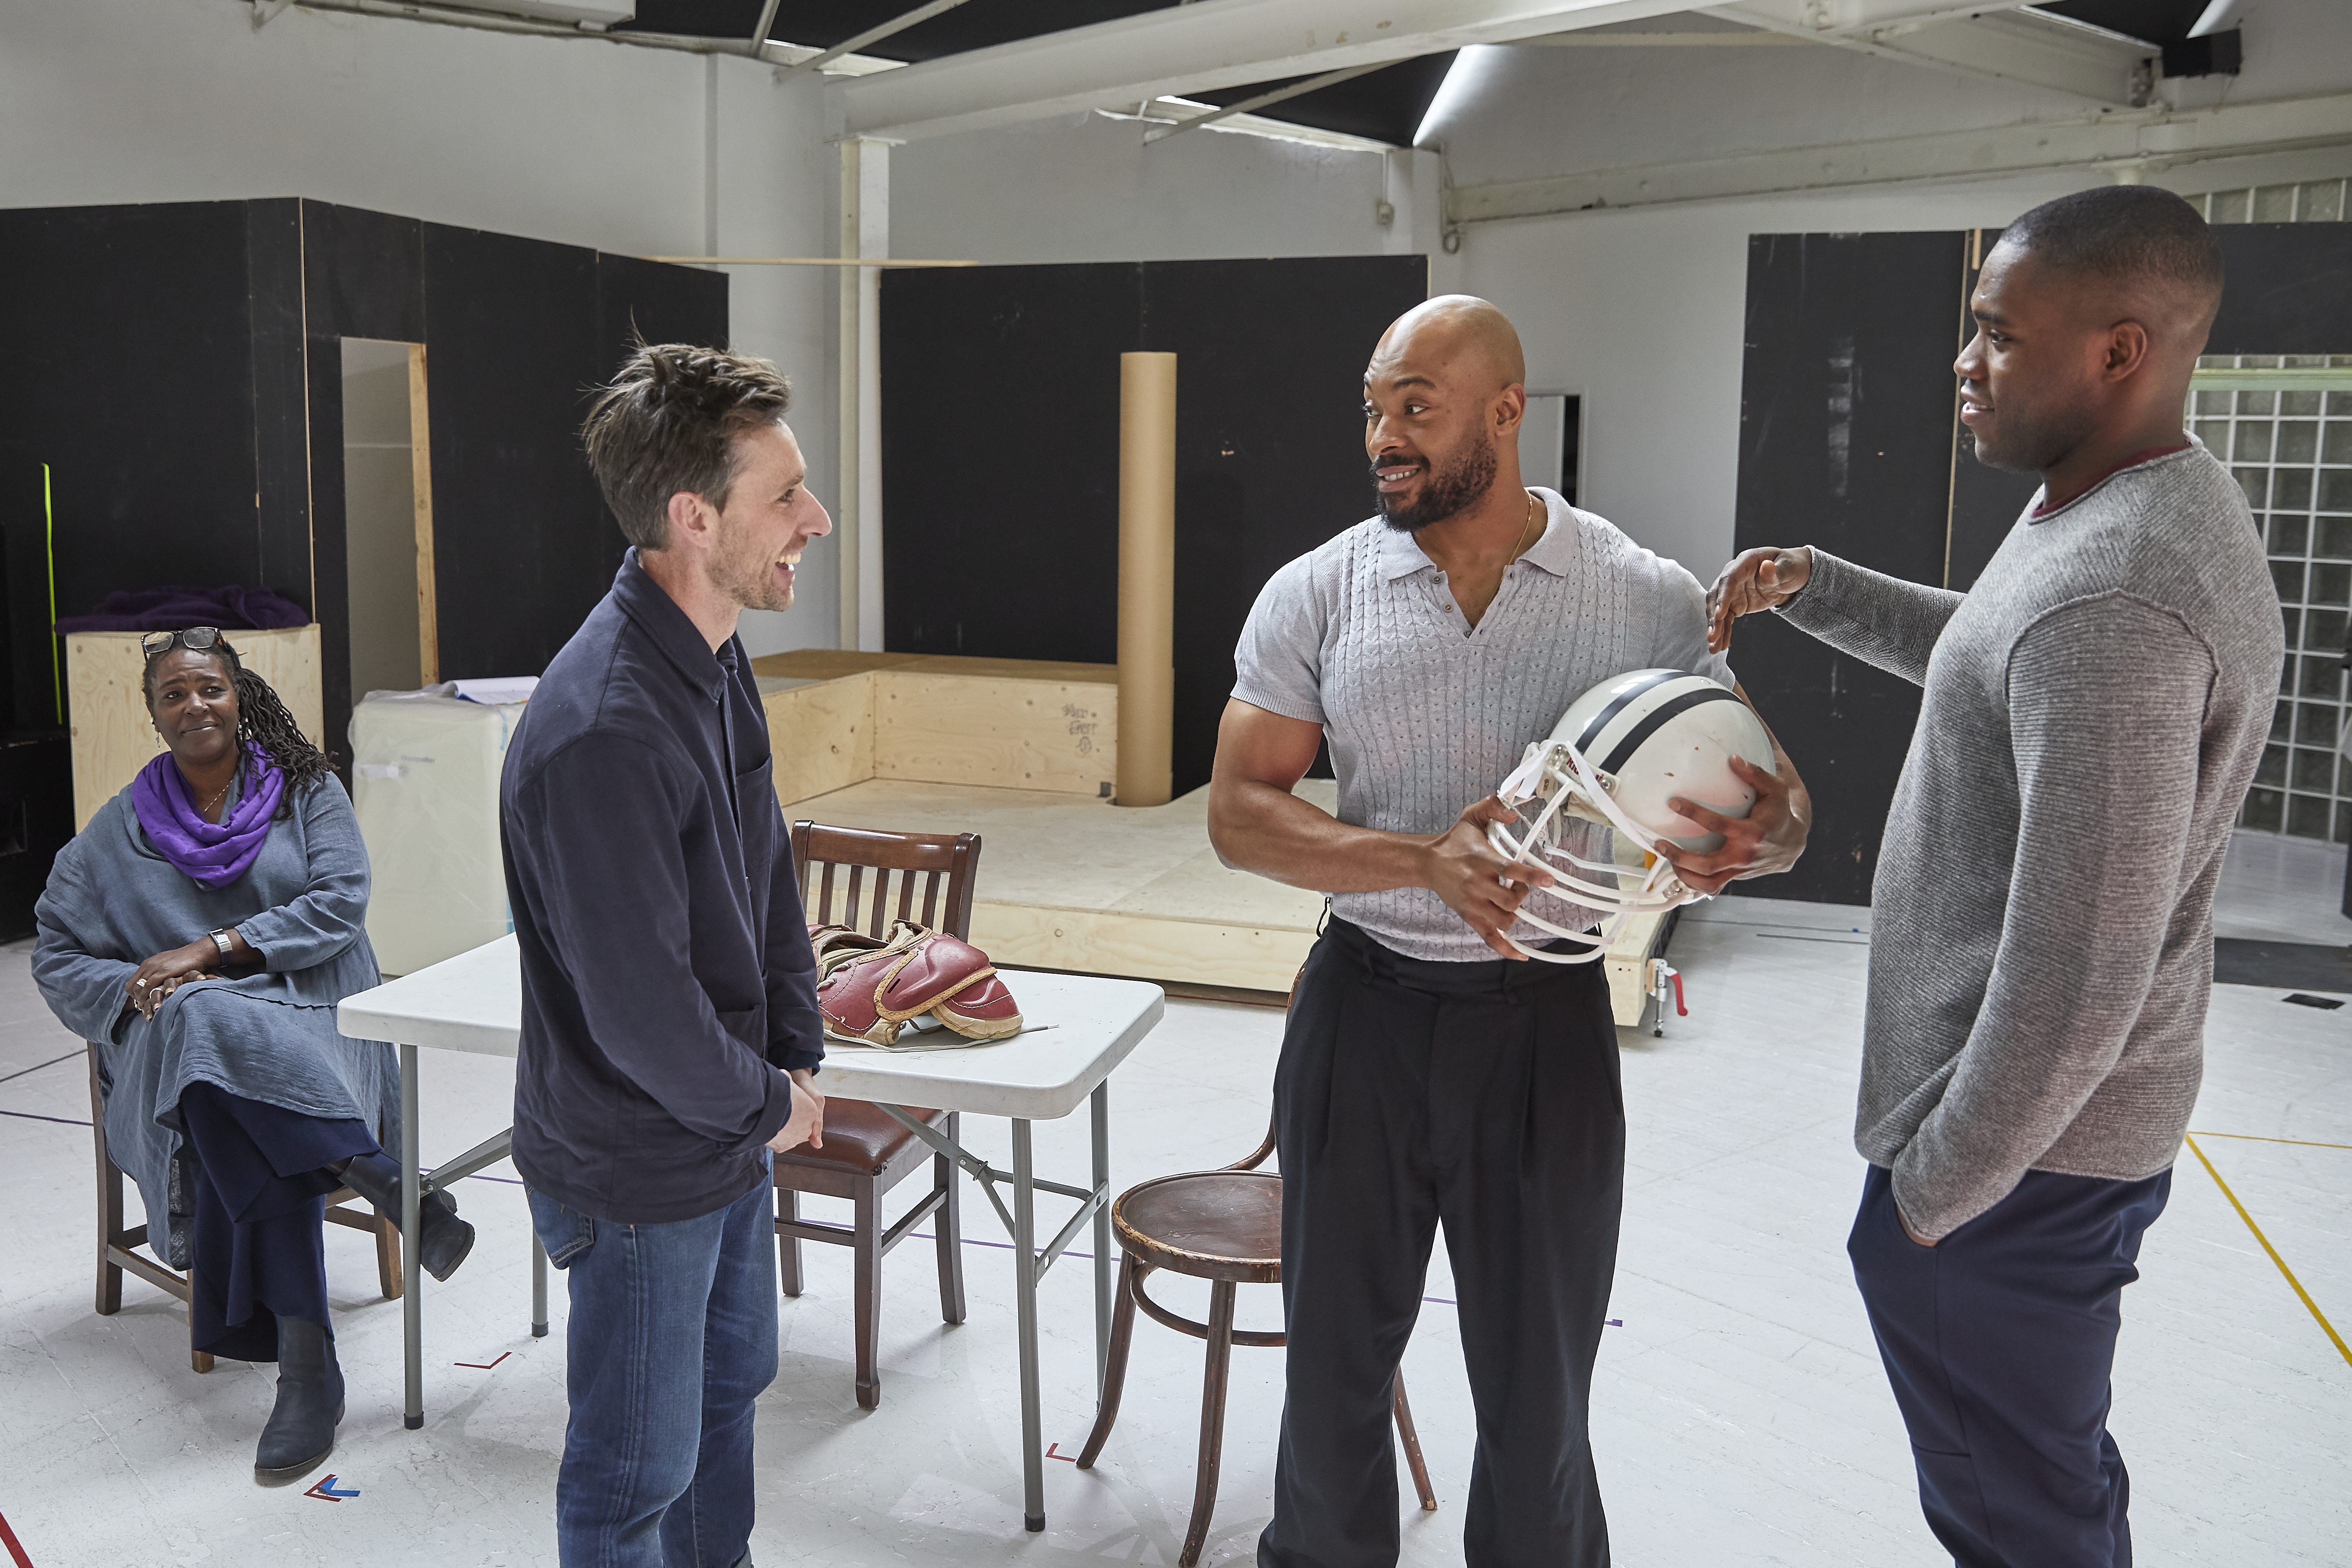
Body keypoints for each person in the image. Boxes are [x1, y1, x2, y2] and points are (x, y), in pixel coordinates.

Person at [1707, 186, 2283, 1567]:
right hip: (2038, 1150)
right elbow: (1998, 651)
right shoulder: (2117, 511)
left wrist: (1926, 1202)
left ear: (2117, 350)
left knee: (2016, 1511)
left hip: (2014, 1164)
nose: (1962, 364)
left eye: (1993, 336)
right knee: (2040, 1476)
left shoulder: (2113, 598)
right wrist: (1821, 586)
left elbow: (2079, 966)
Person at [1208, 296, 1812, 1568]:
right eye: (1372, 409)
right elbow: (1238, 815)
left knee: (1539, 1403)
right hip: (1361, 1013)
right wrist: (1419, 858)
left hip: (1544, 1030)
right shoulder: (1319, 590)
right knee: (1328, 1388)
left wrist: (1766, 837)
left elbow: (1770, 801)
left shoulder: (1639, 595)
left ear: (1503, 411)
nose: (1383, 436)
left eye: (1414, 407)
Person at [502, 342, 832, 1568]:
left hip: (724, 1127)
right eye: (785, 495)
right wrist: (771, 1104)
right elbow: (642, 1020)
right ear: (695, 518)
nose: (817, 517)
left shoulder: (713, 652)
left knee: (728, 1389)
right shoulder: (604, 729)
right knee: (633, 1473)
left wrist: (795, 1055)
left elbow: (762, 871)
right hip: (639, 1167)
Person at [34, 627, 473, 1484]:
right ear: (153, 713)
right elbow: (57, 948)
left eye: (208, 687)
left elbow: (340, 902)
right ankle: (381, 1178)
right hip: (192, 1044)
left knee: (217, 1059)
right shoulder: (118, 829)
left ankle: (311, 1368)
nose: (193, 704)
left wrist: (209, 949)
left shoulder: (309, 791)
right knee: (201, 1032)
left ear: (238, 694)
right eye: (173, 694)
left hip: (315, 1011)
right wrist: (136, 988)